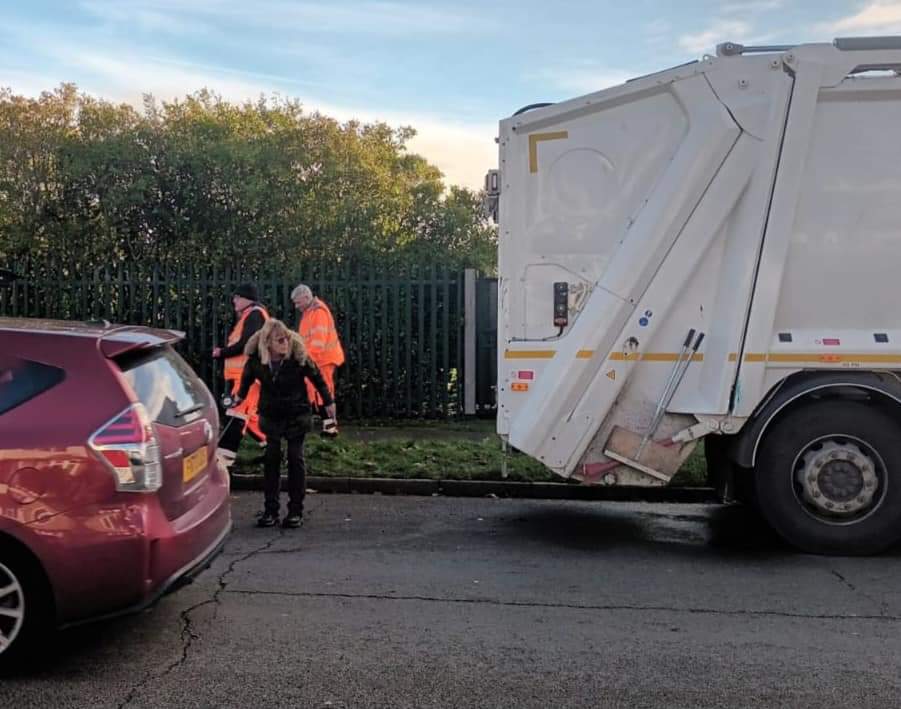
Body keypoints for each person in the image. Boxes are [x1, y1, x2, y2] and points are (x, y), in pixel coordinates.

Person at [235, 319, 336, 528]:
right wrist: (237, 398)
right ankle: (270, 510)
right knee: (271, 458)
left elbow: (317, 378)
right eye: (280, 340)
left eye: (287, 339)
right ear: (268, 343)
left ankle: (295, 511)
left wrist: (329, 403)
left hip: (296, 412)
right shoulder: (256, 360)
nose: (285, 344)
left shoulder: (298, 356)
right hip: (271, 413)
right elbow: (245, 381)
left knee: (294, 457)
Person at [212, 283, 269, 465]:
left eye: (237, 297)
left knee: (235, 417)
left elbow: (246, 344)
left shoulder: (254, 315)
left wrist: (222, 352)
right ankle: (272, 449)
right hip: (247, 377)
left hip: (248, 378)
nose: (234, 301)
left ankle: (222, 464)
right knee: (249, 418)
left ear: (246, 299)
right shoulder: (251, 315)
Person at [291, 284, 344, 433]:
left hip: (323, 359)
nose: (296, 306)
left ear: (307, 297)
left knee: (324, 393)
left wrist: (306, 361)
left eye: (298, 302)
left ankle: (331, 428)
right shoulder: (311, 312)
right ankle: (329, 427)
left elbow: (317, 343)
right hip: (318, 359)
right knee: (319, 392)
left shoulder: (318, 313)